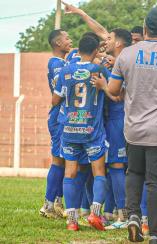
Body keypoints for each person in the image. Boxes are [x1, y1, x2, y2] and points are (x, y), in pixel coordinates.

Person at [93, 7, 157, 244]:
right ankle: (156, 234)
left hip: (133, 128)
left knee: (134, 173)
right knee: (156, 182)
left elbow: (115, 90)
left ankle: (133, 218)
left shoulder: (127, 54)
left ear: (145, 28)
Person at [52, 35, 110, 231]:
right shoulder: (99, 70)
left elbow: (55, 100)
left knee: (70, 173)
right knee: (99, 171)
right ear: (95, 51)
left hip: (69, 129)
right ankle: (95, 213)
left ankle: (71, 221)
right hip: (92, 129)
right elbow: (113, 91)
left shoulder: (66, 70)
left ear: (78, 49)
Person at [39, 29, 72, 219]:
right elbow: (62, 88)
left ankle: (58, 202)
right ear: (58, 43)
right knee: (58, 160)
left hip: (64, 116)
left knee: (65, 160)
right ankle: (48, 204)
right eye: (67, 38)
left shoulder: (64, 62)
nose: (70, 40)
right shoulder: (56, 63)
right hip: (58, 117)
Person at [102, 28, 132, 230]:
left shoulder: (122, 62)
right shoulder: (123, 60)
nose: (107, 40)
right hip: (120, 119)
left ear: (119, 43)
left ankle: (123, 215)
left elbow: (118, 95)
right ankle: (118, 212)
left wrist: (103, 85)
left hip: (119, 119)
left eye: (110, 38)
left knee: (117, 166)